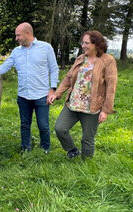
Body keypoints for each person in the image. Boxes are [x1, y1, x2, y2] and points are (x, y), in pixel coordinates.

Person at [0, 22, 59, 153]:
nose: (16, 38)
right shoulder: (16, 52)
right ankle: (26, 148)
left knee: (43, 125)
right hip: (23, 95)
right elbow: (4, 67)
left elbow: (54, 69)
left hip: (42, 95)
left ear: (27, 33)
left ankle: (45, 149)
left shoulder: (46, 48)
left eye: (18, 35)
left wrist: (52, 89)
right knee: (25, 125)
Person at [49, 30, 118, 159]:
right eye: (82, 43)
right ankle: (72, 150)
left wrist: (105, 110)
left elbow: (111, 87)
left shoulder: (108, 60)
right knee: (60, 128)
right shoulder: (81, 58)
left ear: (96, 44)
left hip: (92, 107)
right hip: (74, 104)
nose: (83, 46)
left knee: (87, 139)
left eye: (86, 43)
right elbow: (68, 78)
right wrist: (57, 94)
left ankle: (86, 166)